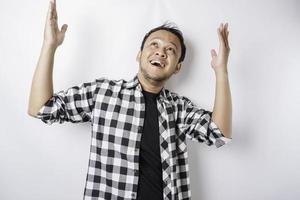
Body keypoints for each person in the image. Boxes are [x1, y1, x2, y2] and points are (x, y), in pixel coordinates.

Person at [27, 0, 232, 199]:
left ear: (177, 67)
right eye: (154, 45)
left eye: (171, 49)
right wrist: (49, 46)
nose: (161, 52)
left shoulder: (179, 108)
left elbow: (219, 134)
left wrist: (221, 71)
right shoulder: (103, 93)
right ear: (139, 54)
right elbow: (41, 108)